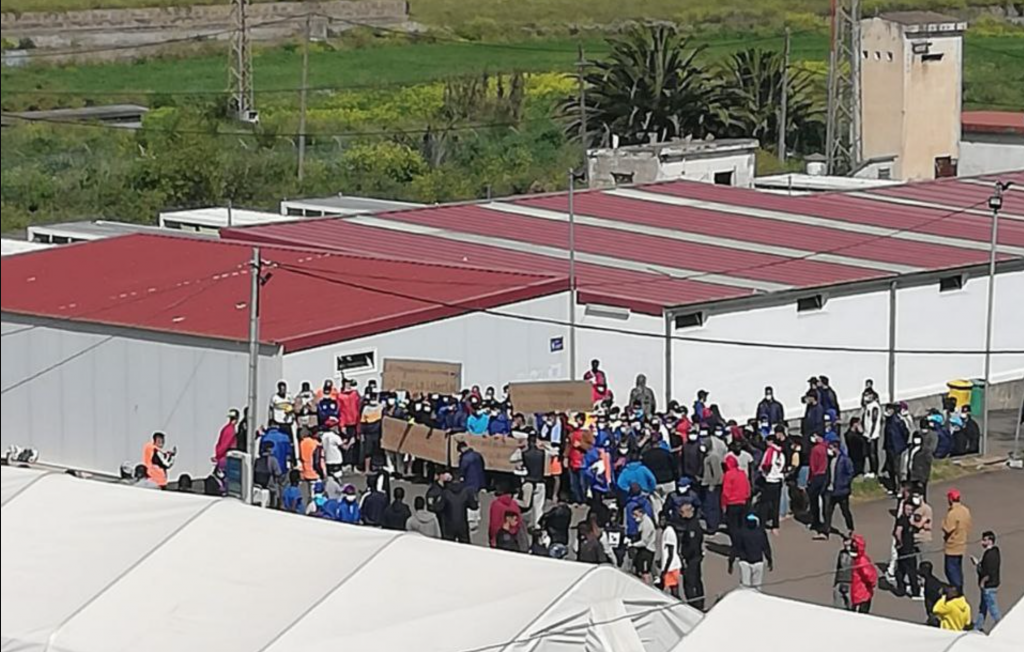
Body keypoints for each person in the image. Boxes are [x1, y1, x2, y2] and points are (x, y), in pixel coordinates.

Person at [730, 514, 773, 590]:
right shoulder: (761, 533)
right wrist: (769, 559)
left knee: (745, 586)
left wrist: (731, 562)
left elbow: (735, 548)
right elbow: (766, 547)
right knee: (757, 587)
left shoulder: (741, 533)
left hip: (744, 562)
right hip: (758, 561)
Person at [824, 437, 856, 539]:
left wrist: (844, 484)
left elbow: (850, 473)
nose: (829, 450)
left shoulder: (845, 460)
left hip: (842, 491)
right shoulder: (830, 460)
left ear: (836, 448)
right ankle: (826, 531)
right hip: (831, 490)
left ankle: (850, 528)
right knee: (828, 511)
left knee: (845, 511)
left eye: (831, 448)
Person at [677, 502, 706, 610]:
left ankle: (694, 604)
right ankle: (699, 601)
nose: (680, 514)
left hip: (692, 559)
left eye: (682, 512)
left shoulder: (692, 527)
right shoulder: (691, 524)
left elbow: (692, 546)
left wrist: (685, 558)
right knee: (696, 580)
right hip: (695, 557)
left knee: (690, 582)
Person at [942, 489, 972, 591]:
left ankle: (957, 589)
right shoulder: (965, 510)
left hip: (952, 545)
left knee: (950, 570)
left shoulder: (952, 513)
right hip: (962, 543)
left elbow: (948, 528)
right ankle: (959, 586)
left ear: (950, 499)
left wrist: (942, 523)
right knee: (958, 569)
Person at [722, 456, 751, 557]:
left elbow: (726, 492)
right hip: (743, 503)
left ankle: (736, 548)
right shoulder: (742, 473)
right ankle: (745, 546)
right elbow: (748, 487)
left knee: (733, 528)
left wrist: (723, 504)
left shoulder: (728, 475)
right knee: (742, 526)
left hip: (732, 504)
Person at [973, 530, 1002, 632]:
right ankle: (977, 627)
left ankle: (1001, 626)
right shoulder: (995, 551)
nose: (982, 542)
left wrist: (983, 582)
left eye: (984, 540)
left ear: (990, 541)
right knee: (983, 607)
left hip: (988, 586)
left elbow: (988, 571)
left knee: (993, 608)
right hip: (991, 584)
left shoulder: (989, 555)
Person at [894, 501, 922, 599]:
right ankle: (915, 592)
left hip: (906, 548)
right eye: (907, 509)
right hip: (907, 550)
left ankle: (901, 589)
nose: (909, 511)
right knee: (912, 570)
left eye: (910, 510)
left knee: (901, 569)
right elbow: (898, 532)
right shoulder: (902, 520)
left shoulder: (909, 519)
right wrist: (900, 543)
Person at [760, 431, 787, 532]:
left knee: (765, 504)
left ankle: (762, 523)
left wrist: (763, 473)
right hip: (778, 479)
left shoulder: (769, 452)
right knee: (776, 503)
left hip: (770, 479)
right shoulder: (781, 452)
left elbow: (765, 465)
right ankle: (775, 524)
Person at [442, 476, 478, 544]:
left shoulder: (445, 492)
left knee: (448, 546)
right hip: (462, 525)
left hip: (449, 525)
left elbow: (439, 507)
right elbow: (474, 506)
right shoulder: (466, 492)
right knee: (465, 546)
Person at [808, 433, 829, 539]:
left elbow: (812, 466)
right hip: (825, 475)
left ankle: (815, 521)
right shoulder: (827, 447)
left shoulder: (815, 449)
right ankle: (825, 523)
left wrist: (810, 478)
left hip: (817, 476)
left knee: (813, 500)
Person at [850, 534, 878, 614]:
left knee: (858, 617)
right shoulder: (861, 559)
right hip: (859, 593)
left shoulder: (861, 560)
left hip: (861, 595)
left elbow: (869, 575)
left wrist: (871, 584)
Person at [489, 484, 523, 548]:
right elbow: (518, 520)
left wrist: (493, 538)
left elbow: (494, 523)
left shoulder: (495, 504)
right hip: (513, 536)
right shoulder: (514, 504)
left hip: (499, 536)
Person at [631, 505, 657, 585]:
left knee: (645, 572)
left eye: (636, 514)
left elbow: (644, 542)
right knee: (640, 571)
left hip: (647, 551)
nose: (634, 517)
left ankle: (648, 587)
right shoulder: (641, 522)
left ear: (641, 513)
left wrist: (632, 545)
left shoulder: (647, 523)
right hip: (643, 551)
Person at [253, 440, 284, 506]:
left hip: (258, 485)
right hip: (270, 486)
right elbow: (278, 473)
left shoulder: (258, 460)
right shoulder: (273, 460)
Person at [861, 391, 883, 479]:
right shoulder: (867, 406)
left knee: (873, 453)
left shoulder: (874, 407)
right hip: (866, 433)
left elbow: (874, 421)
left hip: (872, 435)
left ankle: (875, 471)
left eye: (868, 396)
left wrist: (871, 434)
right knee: (869, 454)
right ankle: (871, 470)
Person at [660, 515, 683, 598]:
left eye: (663, 520)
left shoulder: (669, 532)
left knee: (673, 590)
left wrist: (665, 569)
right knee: (672, 587)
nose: (660, 522)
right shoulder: (666, 531)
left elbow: (671, 553)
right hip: (670, 566)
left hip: (671, 566)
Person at [834, 537, 855, 610]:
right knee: (837, 606)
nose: (845, 543)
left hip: (850, 582)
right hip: (840, 581)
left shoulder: (855, 554)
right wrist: (835, 582)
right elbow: (839, 566)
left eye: (847, 541)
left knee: (850, 606)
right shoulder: (841, 553)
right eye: (844, 541)